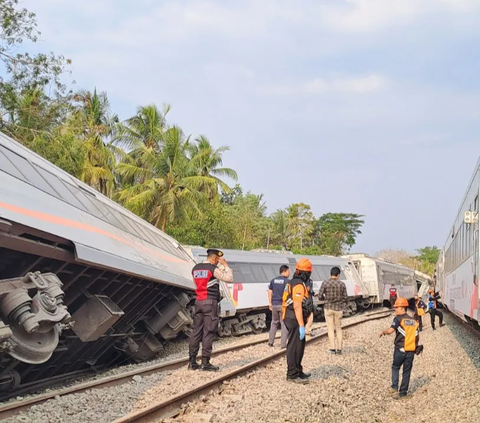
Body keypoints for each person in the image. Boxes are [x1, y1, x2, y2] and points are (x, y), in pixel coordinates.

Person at [188, 248, 234, 371]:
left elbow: (197, 284)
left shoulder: (195, 268)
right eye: (217, 260)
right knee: (208, 331)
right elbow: (229, 278)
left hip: (198, 302)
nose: (218, 262)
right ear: (214, 258)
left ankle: (192, 362)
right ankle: (205, 362)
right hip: (210, 302)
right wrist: (225, 265)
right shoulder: (213, 269)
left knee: (196, 331)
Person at [379, 297, 420, 399]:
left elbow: (391, 330)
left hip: (400, 350)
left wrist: (384, 332)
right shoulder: (414, 321)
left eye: (397, 307)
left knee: (395, 367)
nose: (395, 309)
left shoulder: (398, 319)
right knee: (407, 372)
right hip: (410, 350)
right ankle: (403, 393)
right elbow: (416, 335)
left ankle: (394, 386)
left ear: (403, 308)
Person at [282, 258, 314, 383]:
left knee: (299, 346)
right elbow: (297, 305)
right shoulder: (298, 285)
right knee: (294, 346)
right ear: (306, 273)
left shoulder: (292, 282)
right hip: (294, 318)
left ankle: (298, 370)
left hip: (292, 317)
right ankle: (292, 374)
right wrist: (301, 325)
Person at [318, 267, 348, 354]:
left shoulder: (325, 283)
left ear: (330, 274)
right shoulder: (342, 284)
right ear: (338, 275)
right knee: (338, 328)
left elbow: (320, 296)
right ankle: (339, 349)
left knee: (330, 329)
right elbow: (345, 297)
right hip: (338, 309)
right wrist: (342, 303)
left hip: (328, 308)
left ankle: (332, 348)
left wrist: (325, 298)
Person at [267, 265, 290, 348]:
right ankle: (283, 344)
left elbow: (270, 292)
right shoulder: (287, 281)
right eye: (288, 271)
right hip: (283, 305)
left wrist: (270, 303)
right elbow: (288, 294)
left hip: (274, 304)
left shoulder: (273, 280)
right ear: (284, 271)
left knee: (274, 322)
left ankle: (270, 342)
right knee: (283, 323)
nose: (289, 273)